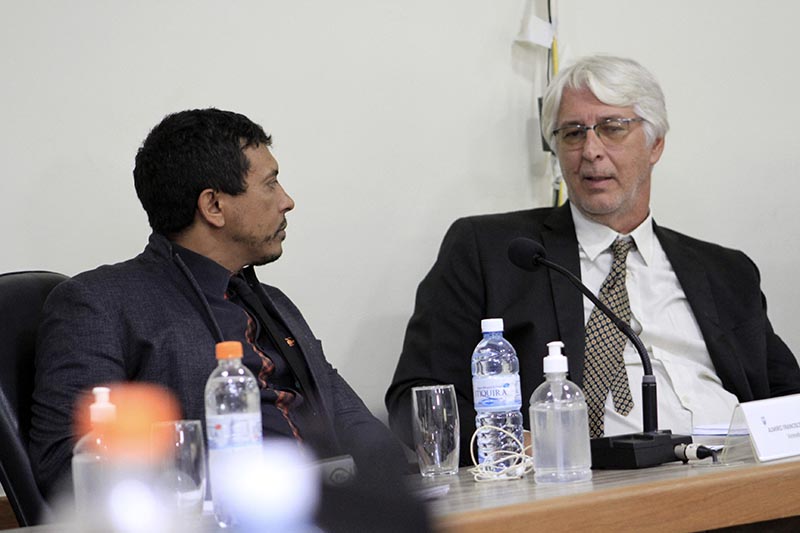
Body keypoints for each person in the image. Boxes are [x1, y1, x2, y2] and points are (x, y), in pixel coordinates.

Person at [385, 55, 800, 463]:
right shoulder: (494, 252)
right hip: (582, 485)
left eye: (612, 128)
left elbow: (788, 398)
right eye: (572, 133)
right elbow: (416, 400)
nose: (591, 151)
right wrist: (512, 445)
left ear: (655, 145)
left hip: (735, 474)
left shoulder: (726, 272)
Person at [30, 108, 410, 500]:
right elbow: (67, 467)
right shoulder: (101, 303)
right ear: (213, 206)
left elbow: (352, 420)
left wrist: (398, 488)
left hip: (336, 510)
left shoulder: (274, 304)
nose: (287, 201)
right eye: (270, 184)